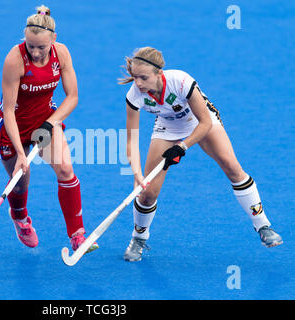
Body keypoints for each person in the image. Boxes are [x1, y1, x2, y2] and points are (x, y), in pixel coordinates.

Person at [119, 47, 282, 262]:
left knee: (232, 168)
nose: (138, 83)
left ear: (159, 73)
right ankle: (138, 238)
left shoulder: (181, 81)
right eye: (135, 77)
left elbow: (205, 122)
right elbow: (131, 140)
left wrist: (182, 147)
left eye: (143, 77)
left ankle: (263, 226)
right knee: (147, 193)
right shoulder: (134, 95)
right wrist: (138, 174)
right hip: (167, 127)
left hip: (200, 120)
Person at [0, 5, 98, 253]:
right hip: (13, 127)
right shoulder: (14, 60)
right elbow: (8, 110)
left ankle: (78, 236)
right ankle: (20, 218)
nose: (36, 53)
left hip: (45, 118)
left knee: (65, 168)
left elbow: (72, 97)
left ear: (54, 39)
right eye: (31, 46)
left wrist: (50, 123)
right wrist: (20, 153)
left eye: (42, 47)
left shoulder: (61, 54)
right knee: (20, 183)